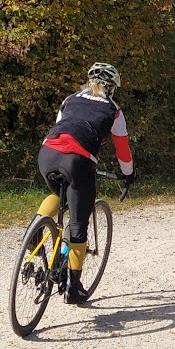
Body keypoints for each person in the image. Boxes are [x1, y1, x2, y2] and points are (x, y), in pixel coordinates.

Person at [35, 62, 135, 304]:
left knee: (59, 195)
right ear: (112, 87)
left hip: (47, 153)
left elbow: (62, 125)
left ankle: (36, 229)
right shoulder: (114, 110)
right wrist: (128, 174)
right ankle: (74, 288)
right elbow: (122, 150)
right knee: (79, 223)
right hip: (78, 161)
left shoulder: (70, 99)